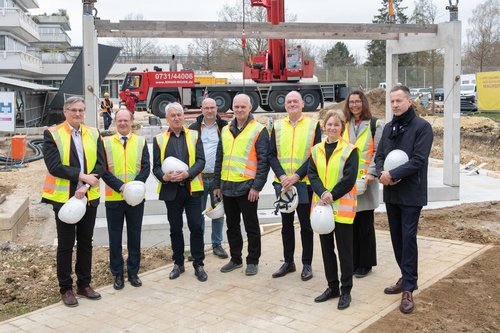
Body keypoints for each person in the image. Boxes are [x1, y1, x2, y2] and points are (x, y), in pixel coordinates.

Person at [41, 96, 106, 307]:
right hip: (64, 199)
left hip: (88, 197)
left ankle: (84, 285)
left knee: (86, 242)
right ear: (65, 111)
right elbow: (54, 166)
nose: (78, 114)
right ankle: (66, 289)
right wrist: (82, 177)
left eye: (81, 110)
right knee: (66, 245)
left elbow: (101, 164)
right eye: (73, 110)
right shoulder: (52, 133)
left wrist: (87, 185)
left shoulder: (94, 133)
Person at [374, 85, 433, 314]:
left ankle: (408, 288)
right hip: (392, 192)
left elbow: (419, 160)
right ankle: (406, 277)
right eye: (392, 101)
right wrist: (382, 174)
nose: (395, 105)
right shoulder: (389, 128)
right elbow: (380, 155)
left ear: (409, 101)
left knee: (408, 238)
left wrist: (393, 175)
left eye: (399, 100)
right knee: (397, 238)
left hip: (411, 193)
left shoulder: (422, 127)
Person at [308, 109, 359, 310]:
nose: (332, 128)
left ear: (342, 128)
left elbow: (349, 178)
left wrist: (331, 195)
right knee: (327, 250)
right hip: (322, 210)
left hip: (342, 209)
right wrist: (322, 193)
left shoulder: (350, 150)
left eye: (336, 125)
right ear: (324, 126)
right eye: (329, 124)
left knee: (345, 252)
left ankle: (346, 290)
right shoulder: (316, 150)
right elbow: (312, 175)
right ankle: (332, 287)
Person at [214, 94, 269, 276]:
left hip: (247, 188)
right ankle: (235, 259)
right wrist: (217, 184)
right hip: (228, 187)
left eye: (242, 107)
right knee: (232, 226)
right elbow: (219, 158)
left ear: (250, 108)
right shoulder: (225, 130)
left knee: (251, 226)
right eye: (236, 107)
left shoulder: (259, 130)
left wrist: (257, 187)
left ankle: (253, 260)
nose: (239, 110)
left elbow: (263, 162)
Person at [268, 91, 321, 281]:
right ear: (285, 105)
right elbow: (271, 154)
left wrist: (297, 176)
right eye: (289, 101)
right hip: (282, 184)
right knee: (286, 225)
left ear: (302, 104)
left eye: (295, 101)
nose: (292, 104)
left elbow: (315, 155)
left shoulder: (314, 126)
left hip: (304, 183)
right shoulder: (277, 126)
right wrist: (283, 176)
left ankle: (307, 264)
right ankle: (288, 262)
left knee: (306, 226)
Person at [152, 102, 208, 282]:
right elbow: (156, 167)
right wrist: (164, 177)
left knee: (196, 226)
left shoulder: (194, 136)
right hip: (171, 191)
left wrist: (188, 174)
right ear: (167, 118)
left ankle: (198, 264)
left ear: (184, 117)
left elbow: (201, 161)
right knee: (175, 228)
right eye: (172, 115)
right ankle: (178, 263)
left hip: (192, 190)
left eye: (179, 115)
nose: (176, 118)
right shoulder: (159, 139)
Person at [102, 109, 150, 290]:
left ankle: (133, 272)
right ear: (115, 122)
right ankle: (117, 273)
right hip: (114, 197)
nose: (122, 123)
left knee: (134, 235)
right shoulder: (105, 143)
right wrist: (122, 188)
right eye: (119, 120)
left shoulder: (141, 142)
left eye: (126, 120)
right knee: (114, 237)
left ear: (132, 121)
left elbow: (146, 167)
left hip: (136, 199)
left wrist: (134, 189)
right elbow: (103, 170)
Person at [342, 90, 384, 278]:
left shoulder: (375, 124)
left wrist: (372, 173)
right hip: (347, 181)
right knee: (349, 223)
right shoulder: (344, 124)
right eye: (351, 102)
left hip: (365, 181)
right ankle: (353, 261)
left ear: (364, 103)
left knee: (365, 224)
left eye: (358, 101)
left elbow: (379, 152)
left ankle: (365, 263)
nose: (354, 105)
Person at [188, 97, 229, 259]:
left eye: (213, 107)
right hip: (197, 178)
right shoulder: (193, 128)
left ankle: (217, 245)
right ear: (202, 109)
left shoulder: (225, 127)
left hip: (217, 179)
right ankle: (197, 248)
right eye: (207, 108)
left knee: (218, 213)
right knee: (197, 215)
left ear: (217, 109)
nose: (210, 110)